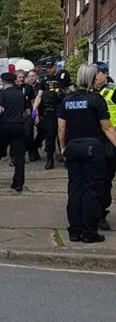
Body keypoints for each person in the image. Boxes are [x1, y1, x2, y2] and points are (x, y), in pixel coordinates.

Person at [58, 64, 116, 243]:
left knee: (74, 190)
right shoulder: (96, 100)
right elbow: (107, 128)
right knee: (91, 190)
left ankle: (74, 231)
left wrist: (62, 149)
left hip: (73, 148)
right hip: (94, 149)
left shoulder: (67, 100)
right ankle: (89, 232)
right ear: (91, 79)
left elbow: (61, 128)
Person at [0, 73, 29, 192]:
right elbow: (28, 112)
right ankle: (18, 183)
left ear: (3, 82)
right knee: (19, 156)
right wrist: (20, 118)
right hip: (19, 127)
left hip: (5, 126)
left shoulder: (1, 94)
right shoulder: (21, 94)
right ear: (13, 82)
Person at [90, 61, 115, 231]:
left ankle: (101, 213)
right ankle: (96, 213)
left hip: (111, 140)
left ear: (105, 74)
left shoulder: (113, 91)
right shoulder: (89, 92)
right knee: (94, 180)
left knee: (105, 180)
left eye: (97, 73)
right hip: (94, 140)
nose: (94, 76)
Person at [33, 60, 66, 169]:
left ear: (55, 66)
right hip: (50, 110)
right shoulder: (44, 80)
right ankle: (50, 159)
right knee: (50, 135)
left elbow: (70, 89)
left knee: (63, 133)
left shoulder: (62, 77)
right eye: (47, 67)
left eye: (50, 67)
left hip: (61, 108)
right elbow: (39, 96)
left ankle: (64, 155)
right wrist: (35, 108)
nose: (48, 69)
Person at [9, 70, 33, 166]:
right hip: (15, 116)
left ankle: (28, 153)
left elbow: (31, 101)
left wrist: (33, 114)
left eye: (23, 77)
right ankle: (13, 157)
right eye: (20, 77)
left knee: (28, 135)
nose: (21, 79)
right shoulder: (13, 89)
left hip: (26, 115)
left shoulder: (28, 87)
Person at [26, 70, 41, 161]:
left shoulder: (40, 86)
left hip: (40, 111)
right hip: (29, 112)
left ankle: (35, 146)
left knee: (42, 131)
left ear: (36, 77)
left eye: (33, 76)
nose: (31, 78)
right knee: (29, 134)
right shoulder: (26, 87)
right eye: (30, 76)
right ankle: (32, 152)